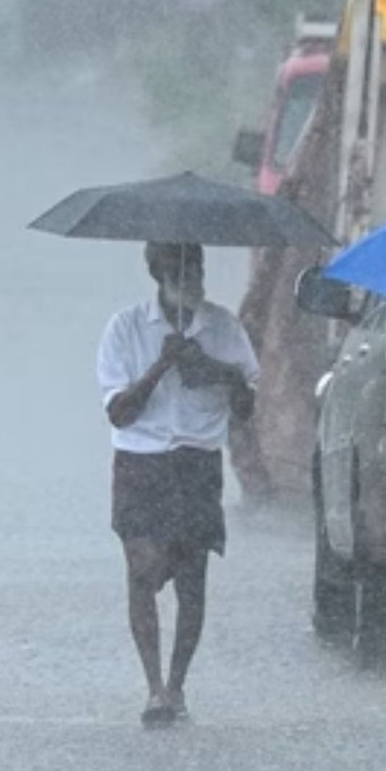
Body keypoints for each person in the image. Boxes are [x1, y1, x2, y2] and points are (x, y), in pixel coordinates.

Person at [96, 242, 259, 726]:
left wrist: (218, 372)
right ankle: (152, 689)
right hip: (140, 461)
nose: (189, 276)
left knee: (192, 579)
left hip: (196, 462)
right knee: (142, 571)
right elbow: (120, 413)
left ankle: (177, 685)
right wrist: (162, 365)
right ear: (155, 271)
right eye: (176, 267)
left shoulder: (224, 328)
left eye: (197, 265)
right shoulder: (125, 328)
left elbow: (247, 408)